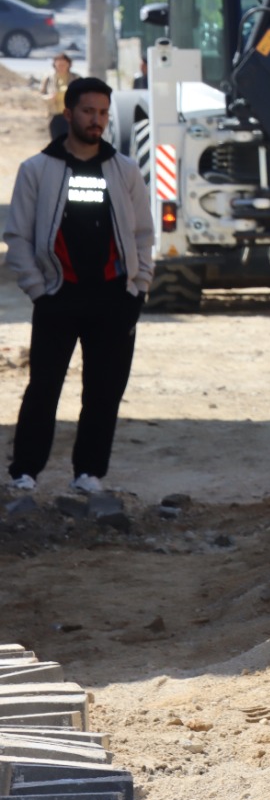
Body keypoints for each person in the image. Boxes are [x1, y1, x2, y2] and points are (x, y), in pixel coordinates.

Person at [5, 77, 153, 494]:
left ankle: (89, 473)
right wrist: (38, 289)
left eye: (103, 112)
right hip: (58, 297)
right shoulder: (37, 170)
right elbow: (17, 236)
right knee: (44, 388)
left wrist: (138, 287)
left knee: (104, 392)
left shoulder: (123, 170)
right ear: (68, 114)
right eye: (88, 111)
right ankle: (25, 472)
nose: (97, 120)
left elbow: (143, 233)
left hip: (114, 298)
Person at [40, 53, 79, 142]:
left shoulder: (76, 78)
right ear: (54, 65)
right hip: (54, 115)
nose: (61, 67)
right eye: (59, 65)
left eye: (63, 65)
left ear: (69, 65)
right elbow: (41, 95)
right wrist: (49, 98)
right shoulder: (49, 78)